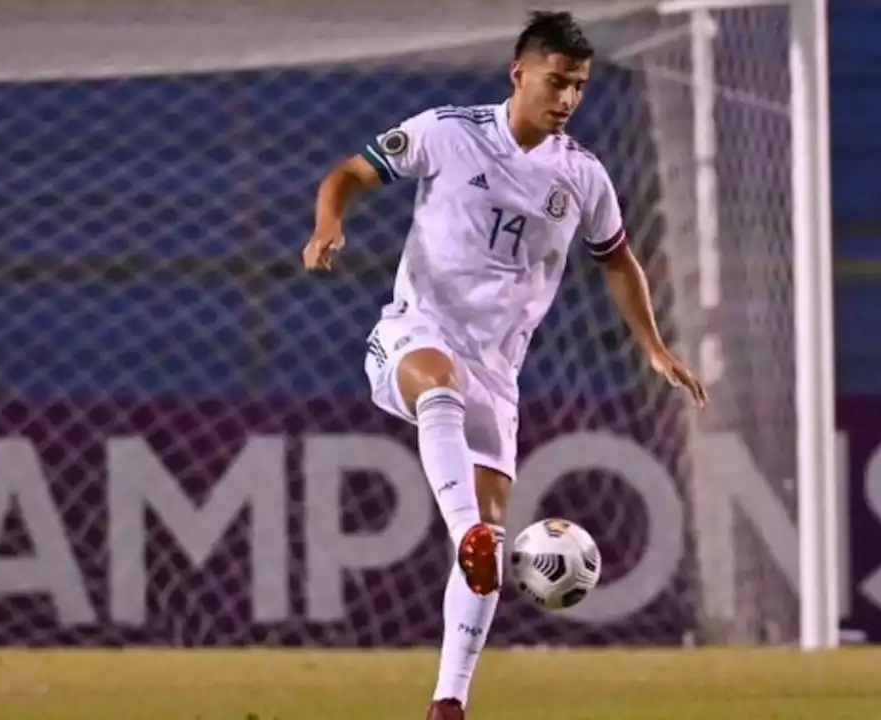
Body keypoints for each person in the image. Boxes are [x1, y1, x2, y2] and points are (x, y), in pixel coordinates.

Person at [302, 10, 708, 719]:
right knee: (447, 414)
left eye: (579, 86)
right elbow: (348, 172)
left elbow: (618, 260)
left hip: (497, 374)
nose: (568, 99)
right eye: (557, 82)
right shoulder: (447, 130)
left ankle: (448, 701)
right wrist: (328, 223)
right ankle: (469, 535)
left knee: (490, 553)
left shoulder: (582, 175)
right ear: (520, 74)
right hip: (413, 335)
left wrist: (654, 345)